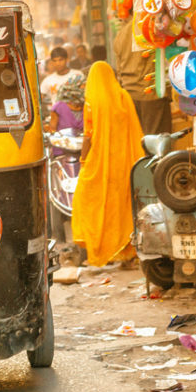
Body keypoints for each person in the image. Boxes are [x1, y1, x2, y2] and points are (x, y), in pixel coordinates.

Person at [73, 61, 143, 267]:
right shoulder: (123, 96)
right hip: (125, 160)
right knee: (122, 205)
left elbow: (88, 135)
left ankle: (103, 249)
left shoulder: (91, 102)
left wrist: (83, 159)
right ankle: (127, 251)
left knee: (88, 202)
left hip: (101, 163)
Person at [113, 20, 172, 135]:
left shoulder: (121, 34)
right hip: (151, 94)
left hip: (129, 95)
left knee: (139, 142)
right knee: (157, 143)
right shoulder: (150, 26)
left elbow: (119, 69)